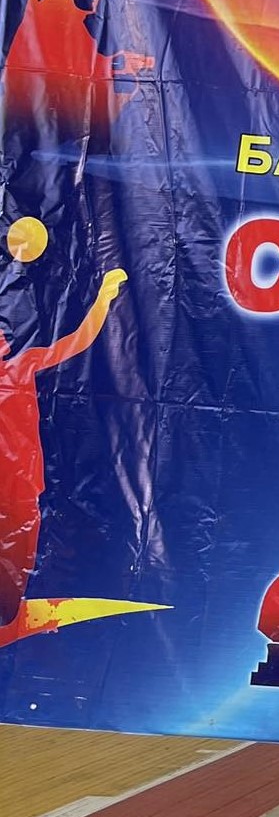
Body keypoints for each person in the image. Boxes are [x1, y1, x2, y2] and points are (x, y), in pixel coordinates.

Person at [1, 265, 127, 625]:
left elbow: (75, 342)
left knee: (20, 548)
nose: (3, 339)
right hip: (19, 486)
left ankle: (9, 610)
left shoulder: (22, 365)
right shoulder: (22, 366)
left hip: (23, 486)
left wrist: (102, 301)